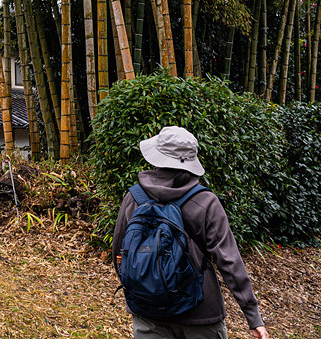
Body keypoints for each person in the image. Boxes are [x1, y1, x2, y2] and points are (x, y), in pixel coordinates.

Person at [112, 126, 269, 339]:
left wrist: (145, 288)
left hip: (147, 311)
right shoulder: (205, 202)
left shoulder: (133, 198)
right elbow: (229, 261)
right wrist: (253, 316)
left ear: (158, 156)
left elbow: (119, 253)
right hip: (200, 311)